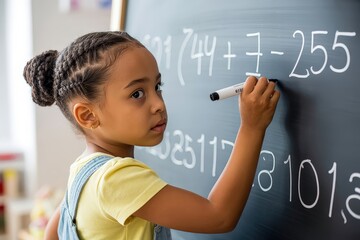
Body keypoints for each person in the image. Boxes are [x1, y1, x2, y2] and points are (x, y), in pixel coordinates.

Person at [23, 31, 280, 240]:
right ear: (88, 116)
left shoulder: (82, 170)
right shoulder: (116, 179)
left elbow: (52, 234)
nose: (158, 103)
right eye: (137, 94)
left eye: (157, 86)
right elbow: (219, 216)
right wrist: (252, 127)